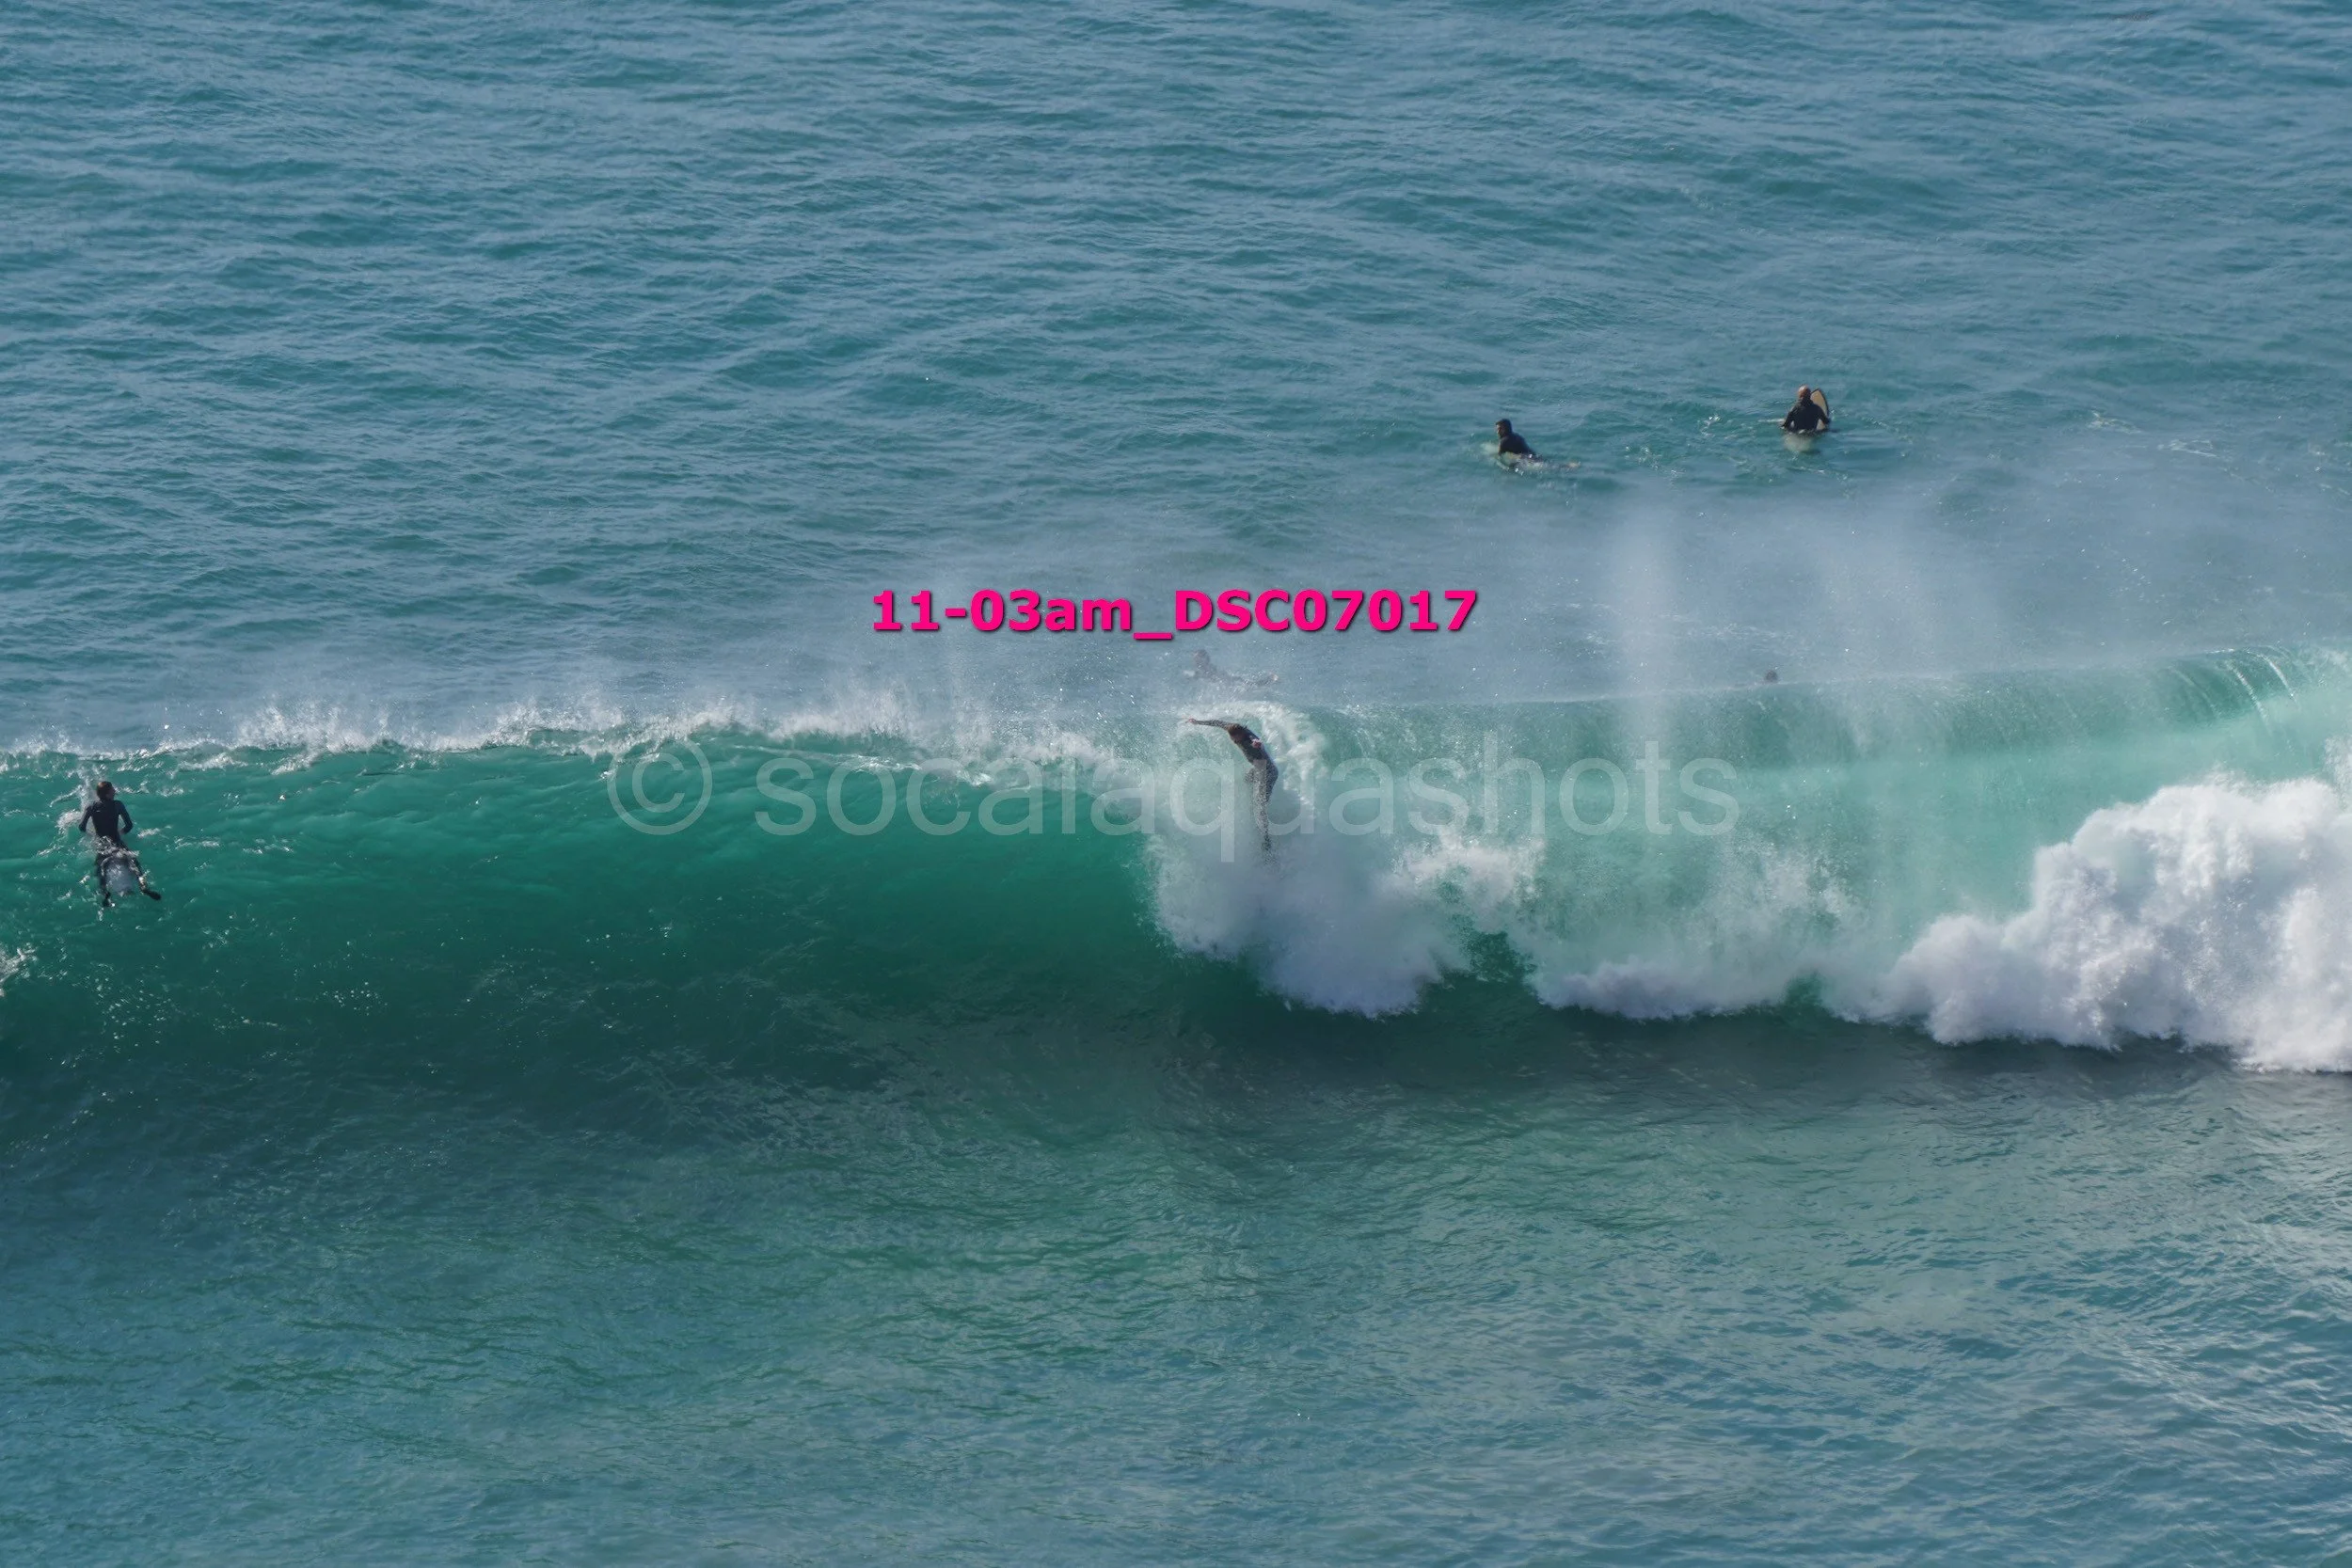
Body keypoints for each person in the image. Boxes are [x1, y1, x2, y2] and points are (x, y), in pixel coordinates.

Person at [1186, 718, 1278, 853]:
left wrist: (1256, 743)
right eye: (1232, 738)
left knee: (1260, 807)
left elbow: (1254, 740)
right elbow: (1217, 722)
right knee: (1246, 781)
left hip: (1268, 773)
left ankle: (1266, 841)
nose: (1234, 741)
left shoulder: (1249, 739)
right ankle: (1253, 814)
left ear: (1242, 734)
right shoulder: (1232, 728)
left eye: (1236, 739)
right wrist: (1198, 722)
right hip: (1257, 769)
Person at [79, 780, 161, 905]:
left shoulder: (91, 806)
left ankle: (105, 893)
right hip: (117, 842)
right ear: (107, 794)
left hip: (102, 844)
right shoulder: (118, 805)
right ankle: (144, 887)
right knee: (135, 865)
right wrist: (119, 833)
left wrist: (93, 834)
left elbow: (81, 827)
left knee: (101, 869)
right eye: (112, 789)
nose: (115, 791)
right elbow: (129, 825)